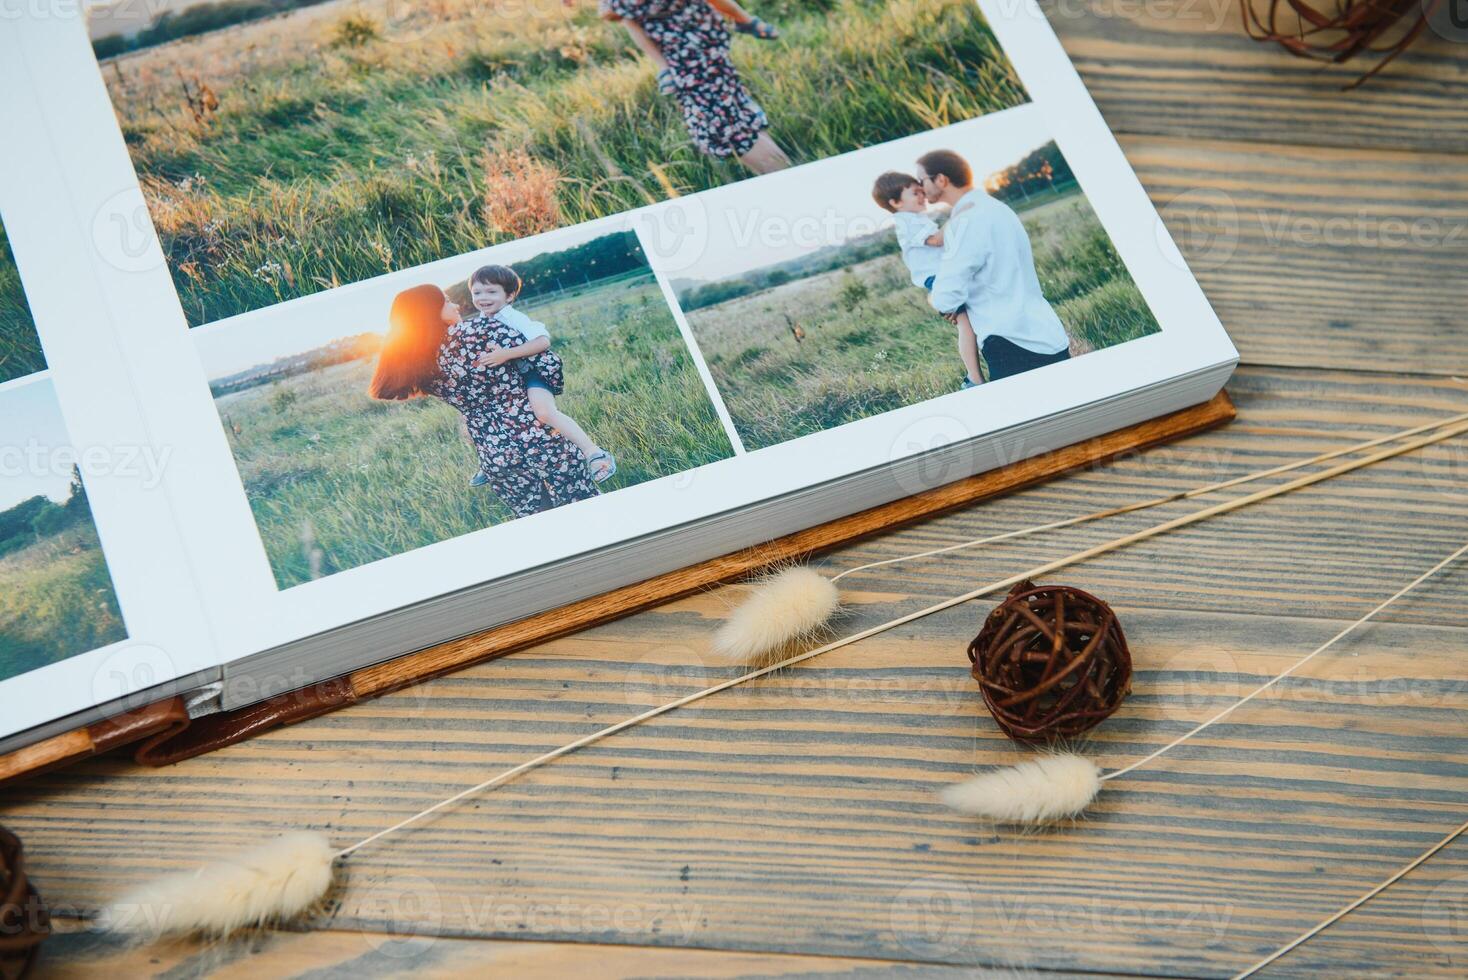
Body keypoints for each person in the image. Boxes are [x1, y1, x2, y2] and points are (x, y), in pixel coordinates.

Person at [369, 284, 600, 519]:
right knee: (586, 512)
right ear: (429, 310)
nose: (456, 305)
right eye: (447, 301)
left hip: (495, 453)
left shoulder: (419, 364)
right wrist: (541, 389)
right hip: (540, 437)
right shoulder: (481, 329)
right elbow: (546, 362)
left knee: (540, 521)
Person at [916, 149, 1072, 382]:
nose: (920, 188)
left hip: (1011, 341)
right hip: (1048, 333)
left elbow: (945, 297)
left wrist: (943, 301)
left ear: (941, 179)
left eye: (922, 180)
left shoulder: (964, 222)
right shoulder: (998, 208)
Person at [461, 264, 617, 485]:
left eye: (491, 292)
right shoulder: (481, 320)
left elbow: (543, 341)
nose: (483, 298)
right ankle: (491, 462)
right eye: (477, 292)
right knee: (485, 418)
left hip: (532, 371)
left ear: (509, 295)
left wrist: (506, 354)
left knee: (544, 412)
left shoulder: (511, 316)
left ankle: (594, 453)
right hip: (507, 379)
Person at [595, 0, 791, 174]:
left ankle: (786, 178)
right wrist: (664, 67)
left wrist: (746, 20)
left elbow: (621, 16)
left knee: (721, 123)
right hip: (684, 50)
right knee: (729, 112)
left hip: (694, 47)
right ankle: (781, 175)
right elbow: (621, 17)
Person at [871, 171, 982, 390]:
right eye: (915, 193)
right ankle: (974, 379)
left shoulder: (915, 218)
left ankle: (976, 375)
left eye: (922, 191)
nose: (922, 196)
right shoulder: (906, 222)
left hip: (945, 277)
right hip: (938, 280)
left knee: (972, 320)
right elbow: (937, 240)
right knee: (966, 325)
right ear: (896, 202)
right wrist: (960, 215)